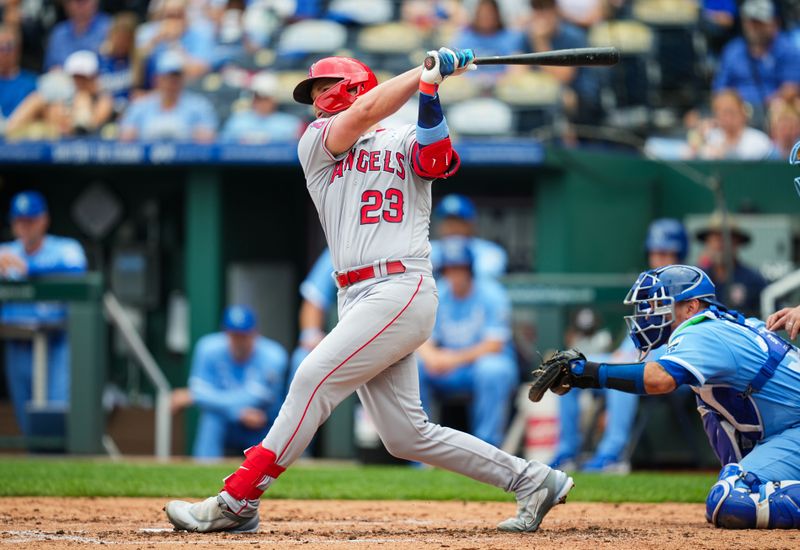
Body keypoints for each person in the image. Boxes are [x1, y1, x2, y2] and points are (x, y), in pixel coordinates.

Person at [165, 49, 573, 534]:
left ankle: (237, 501)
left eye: (323, 88)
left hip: (400, 284)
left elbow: (437, 159)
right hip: (357, 295)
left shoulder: (402, 135)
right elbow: (364, 113)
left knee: (312, 378)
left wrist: (429, 92)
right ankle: (533, 480)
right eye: (313, 92)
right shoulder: (315, 142)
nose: (316, 100)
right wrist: (424, 71)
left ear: (352, 84)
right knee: (405, 435)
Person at [531, 264, 800, 529]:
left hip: (794, 430)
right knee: (713, 416)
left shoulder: (700, 330)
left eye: (657, 305)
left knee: (732, 500)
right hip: (788, 431)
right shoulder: (725, 325)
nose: (647, 314)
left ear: (691, 307)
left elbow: (661, 379)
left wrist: (586, 373)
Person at [551, 218, 689, 472]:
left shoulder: (689, 288)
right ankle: (567, 452)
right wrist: (623, 351)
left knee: (620, 366)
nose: (660, 260)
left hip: (673, 370)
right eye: (656, 253)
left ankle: (613, 454)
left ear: (680, 254)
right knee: (569, 366)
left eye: (667, 253)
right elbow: (638, 338)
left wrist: (625, 356)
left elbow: (682, 343)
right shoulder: (649, 287)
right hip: (639, 358)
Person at [0, 191, 87, 436]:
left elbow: (76, 270)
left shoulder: (65, 248)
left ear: (43, 220)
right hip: (17, 343)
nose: (24, 227)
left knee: (55, 412)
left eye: (30, 220)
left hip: (55, 342)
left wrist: (30, 268)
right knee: (25, 414)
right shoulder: (5, 251)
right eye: (19, 221)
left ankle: (58, 464)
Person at [416, 237, 518, 447]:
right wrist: (432, 357)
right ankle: (420, 447)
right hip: (448, 368)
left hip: (477, 366)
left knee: (492, 369)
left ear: (470, 269)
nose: (455, 274)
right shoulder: (437, 292)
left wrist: (451, 360)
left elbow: (494, 345)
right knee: (414, 366)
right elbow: (419, 337)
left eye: (460, 268)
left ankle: (487, 447)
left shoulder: (491, 293)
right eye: (450, 268)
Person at [171, 305, 289, 459]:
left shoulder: (274, 355)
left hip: (263, 423)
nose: (238, 340)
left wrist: (198, 397)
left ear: (255, 333)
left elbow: (252, 399)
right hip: (229, 422)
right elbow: (200, 390)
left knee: (216, 410)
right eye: (234, 335)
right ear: (225, 332)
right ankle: (205, 469)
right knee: (212, 418)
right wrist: (237, 413)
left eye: (243, 335)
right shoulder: (208, 348)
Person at [712, 0, 800, 117]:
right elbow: (720, 90)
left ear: (775, 23)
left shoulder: (788, 49)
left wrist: (760, 109)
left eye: (759, 22)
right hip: (737, 113)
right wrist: (735, 108)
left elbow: (791, 89)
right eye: (750, 22)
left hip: (774, 112)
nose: (754, 28)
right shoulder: (733, 50)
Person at [6, 50, 114, 139]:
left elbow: (91, 125)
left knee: (82, 100)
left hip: (90, 148)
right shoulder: (59, 101)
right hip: (55, 147)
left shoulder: (103, 99)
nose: (80, 82)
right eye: (76, 77)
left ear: (93, 77)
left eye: (84, 78)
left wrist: (75, 117)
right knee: (38, 100)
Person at [119, 49, 217, 142]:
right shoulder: (140, 105)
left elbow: (207, 140)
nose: (171, 83)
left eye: (176, 78)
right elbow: (126, 139)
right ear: (157, 79)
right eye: (167, 78)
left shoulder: (199, 105)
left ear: (183, 79)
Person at [695, 213, 767, 318]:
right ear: (708, 242)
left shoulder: (754, 280)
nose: (720, 244)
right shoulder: (697, 279)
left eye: (725, 238)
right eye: (715, 238)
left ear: (737, 242)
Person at [430, 194, 507, 278]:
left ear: (470, 224)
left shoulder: (490, 251)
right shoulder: (428, 249)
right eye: (448, 221)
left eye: (458, 221)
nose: (452, 227)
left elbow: (486, 275)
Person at [220, 71, 304, 144]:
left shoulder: (290, 123)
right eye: (258, 98)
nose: (261, 103)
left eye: (265, 99)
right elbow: (224, 144)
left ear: (274, 100)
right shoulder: (237, 121)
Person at [453, 0, 523, 84]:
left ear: (498, 14)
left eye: (490, 13)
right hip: (469, 89)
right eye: (482, 13)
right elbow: (455, 72)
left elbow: (518, 70)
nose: (486, 17)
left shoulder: (512, 38)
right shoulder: (463, 39)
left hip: (503, 88)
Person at [691, 89, 773, 160]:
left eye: (731, 112)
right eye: (722, 113)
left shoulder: (759, 140)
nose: (727, 118)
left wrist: (726, 154)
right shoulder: (710, 138)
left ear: (742, 113)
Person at [44, 0, 111, 70]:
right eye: (76, 1)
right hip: (65, 78)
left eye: (84, 1)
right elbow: (50, 67)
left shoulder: (109, 27)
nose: (80, 6)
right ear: (66, 5)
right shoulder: (58, 33)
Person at [0, 25, 36, 123]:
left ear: (17, 49)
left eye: (8, 47)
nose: (4, 53)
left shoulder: (31, 82)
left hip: (21, 133)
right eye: (1, 48)